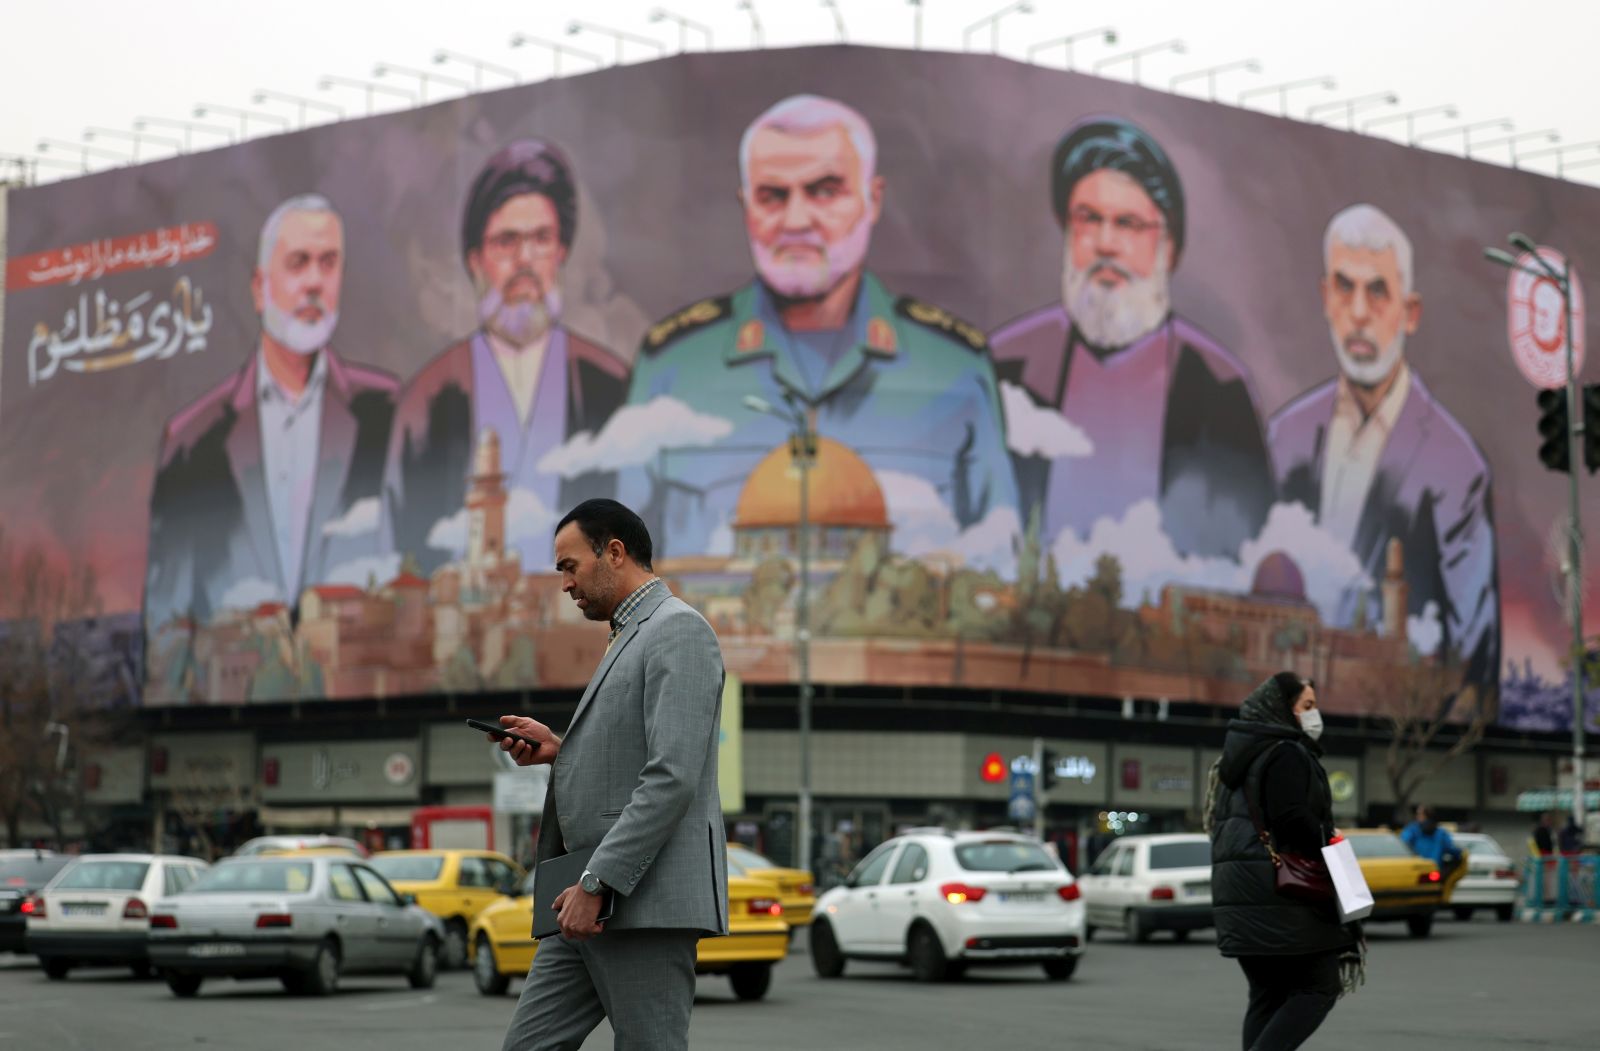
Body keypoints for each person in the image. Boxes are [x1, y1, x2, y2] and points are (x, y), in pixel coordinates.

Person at [620, 93, 1017, 558]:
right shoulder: (671, 368)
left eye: (824, 191)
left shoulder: (955, 367)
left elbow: (1000, 568)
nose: (796, 220)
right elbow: (626, 576)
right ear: (745, 205)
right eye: (772, 196)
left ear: (873, 200)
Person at [492, 499, 728, 1051]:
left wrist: (598, 884)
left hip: (637, 902)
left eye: (570, 567)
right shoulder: (629, 634)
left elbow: (671, 776)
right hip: (579, 900)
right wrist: (560, 750)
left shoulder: (677, 631)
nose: (566, 584)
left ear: (614, 553)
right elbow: (628, 756)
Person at [143, 194, 397, 699]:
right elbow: (167, 621)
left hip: (369, 699)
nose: (314, 282)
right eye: (298, 262)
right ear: (260, 289)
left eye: (328, 263)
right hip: (225, 717)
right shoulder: (193, 439)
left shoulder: (387, 413)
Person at [989, 115, 1275, 558]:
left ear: (1170, 248)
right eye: (1088, 219)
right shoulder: (1006, 365)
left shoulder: (1220, 392)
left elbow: (1243, 561)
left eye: (1128, 224)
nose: (1105, 243)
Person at [1270, 204, 1498, 690]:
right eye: (1344, 287)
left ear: (1410, 312)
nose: (1358, 313)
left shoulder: (1456, 466)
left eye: (1378, 291)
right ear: (1325, 295)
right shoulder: (1284, 437)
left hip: (1398, 736)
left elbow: (1474, 654)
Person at [384, 141, 629, 574]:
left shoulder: (610, 387)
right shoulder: (428, 398)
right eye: (506, 242)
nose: (524, 260)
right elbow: (401, 549)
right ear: (475, 261)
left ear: (561, 252)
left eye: (540, 239)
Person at [1208, 672, 1362, 1051]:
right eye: (1307, 706)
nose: (1315, 715)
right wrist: (1332, 842)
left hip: (1242, 898)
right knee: (1318, 987)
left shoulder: (1237, 761)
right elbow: (1292, 817)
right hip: (1281, 900)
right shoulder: (1285, 752)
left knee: (1268, 995)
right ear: (1283, 709)